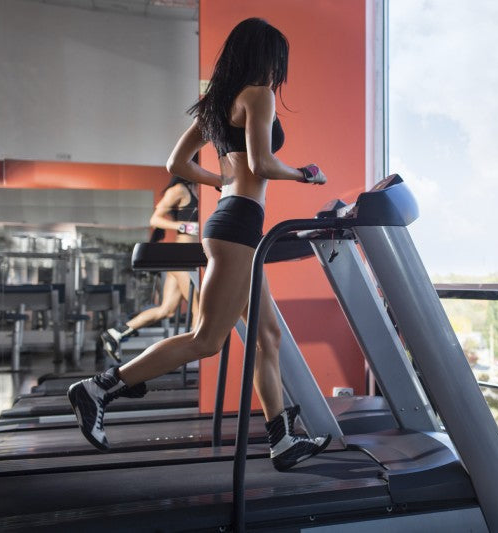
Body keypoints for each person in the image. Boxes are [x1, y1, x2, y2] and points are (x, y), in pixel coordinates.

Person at [68, 18, 330, 471]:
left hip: (230, 220)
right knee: (207, 339)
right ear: (264, 57)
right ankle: (99, 388)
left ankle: (282, 439)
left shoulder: (217, 102)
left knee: (268, 336)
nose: (278, 72)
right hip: (239, 226)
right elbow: (265, 164)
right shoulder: (259, 95)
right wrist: (306, 174)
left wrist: (222, 180)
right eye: (276, 61)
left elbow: (176, 162)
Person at [99, 176, 201, 363]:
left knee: (167, 310)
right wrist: (186, 226)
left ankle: (116, 333)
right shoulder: (179, 190)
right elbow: (155, 219)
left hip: (191, 257)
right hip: (181, 257)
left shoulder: (201, 189)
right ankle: (196, 360)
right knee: (199, 307)